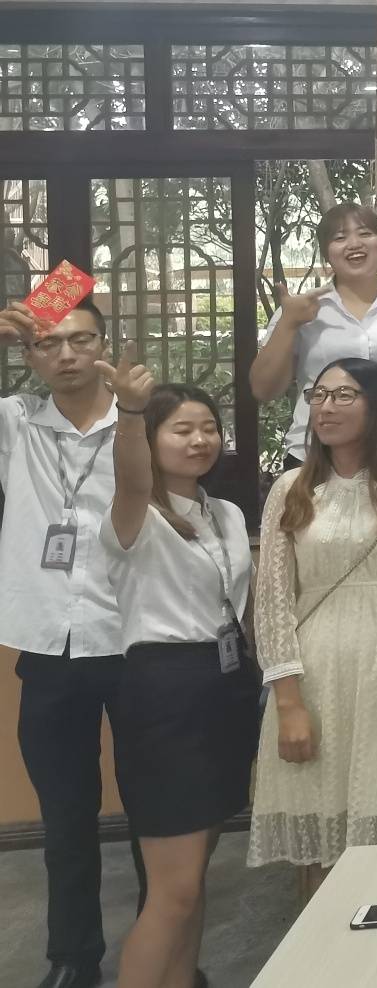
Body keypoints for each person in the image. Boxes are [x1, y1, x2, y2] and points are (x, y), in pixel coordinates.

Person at [249, 359, 377, 885]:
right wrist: (288, 702)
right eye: (319, 395)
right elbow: (272, 602)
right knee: (320, 840)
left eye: (344, 395)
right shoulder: (290, 488)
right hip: (313, 678)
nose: (326, 407)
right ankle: (322, 938)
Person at [96, 365, 257, 988]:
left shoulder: (226, 512)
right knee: (174, 890)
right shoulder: (136, 515)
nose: (199, 440)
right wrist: (131, 414)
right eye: (181, 429)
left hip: (225, 685)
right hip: (165, 691)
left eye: (208, 428)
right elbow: (132, 478)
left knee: (196, 876)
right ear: (151, 439)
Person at [0, 298, 132, 988]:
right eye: (48, 343)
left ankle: (166, 948)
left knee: (154, 807)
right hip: (51, 643)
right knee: (66, 817)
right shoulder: (15, 422)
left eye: (81, 340)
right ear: (29, 356)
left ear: (105, 344)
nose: (67, 354)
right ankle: (73, 957)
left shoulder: (139, 421)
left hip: (134, 638)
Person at [250, 202, 377, 470]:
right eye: (340, 237)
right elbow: (264, 389)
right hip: (313, 453)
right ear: (326, 253)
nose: (354, 244)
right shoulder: (301, 309)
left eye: (365, 233)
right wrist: (288, 323)